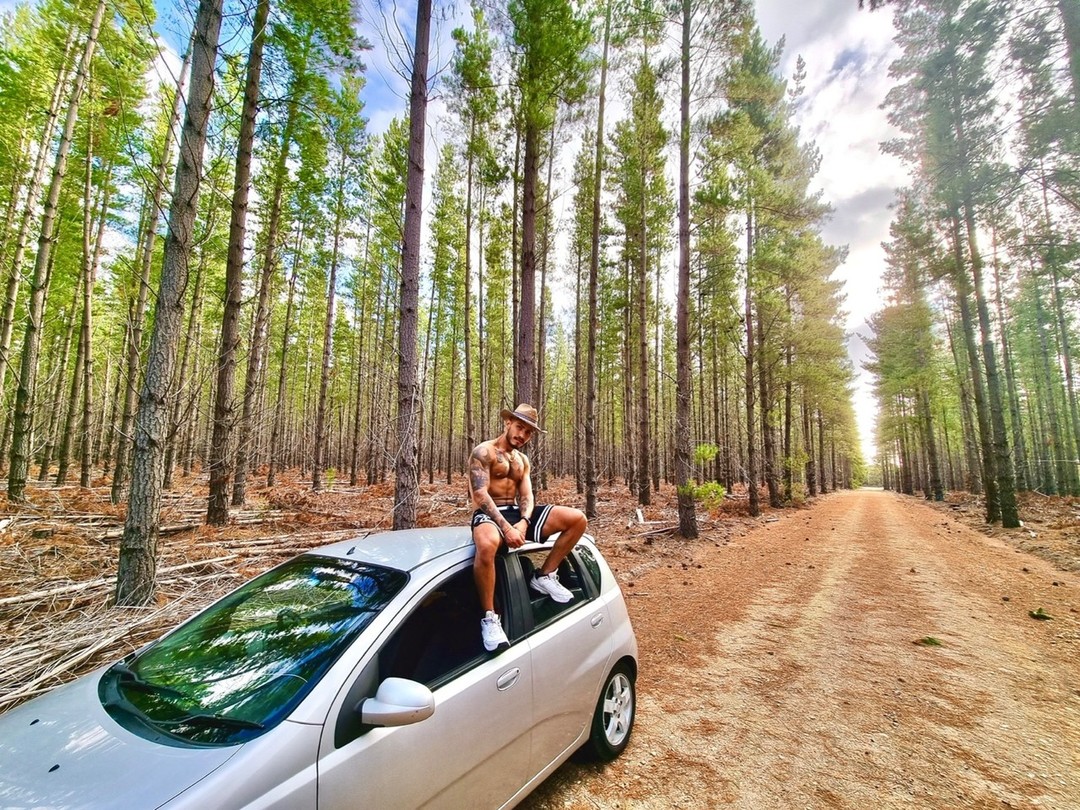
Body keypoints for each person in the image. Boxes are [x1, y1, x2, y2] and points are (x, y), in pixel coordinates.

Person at [469, 404, 588, 652]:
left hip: (517, 513)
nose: (522, 435)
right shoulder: (483, 452)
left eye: (528, 432)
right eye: (519, 427)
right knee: (487, 545)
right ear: (508, 423)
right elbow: (480, 494)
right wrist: (507, 528)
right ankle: (490, 617)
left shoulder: (522, 460)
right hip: (489, 513)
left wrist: (523, 521)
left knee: (577, 519)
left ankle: (544, 575)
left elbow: (527, 496)